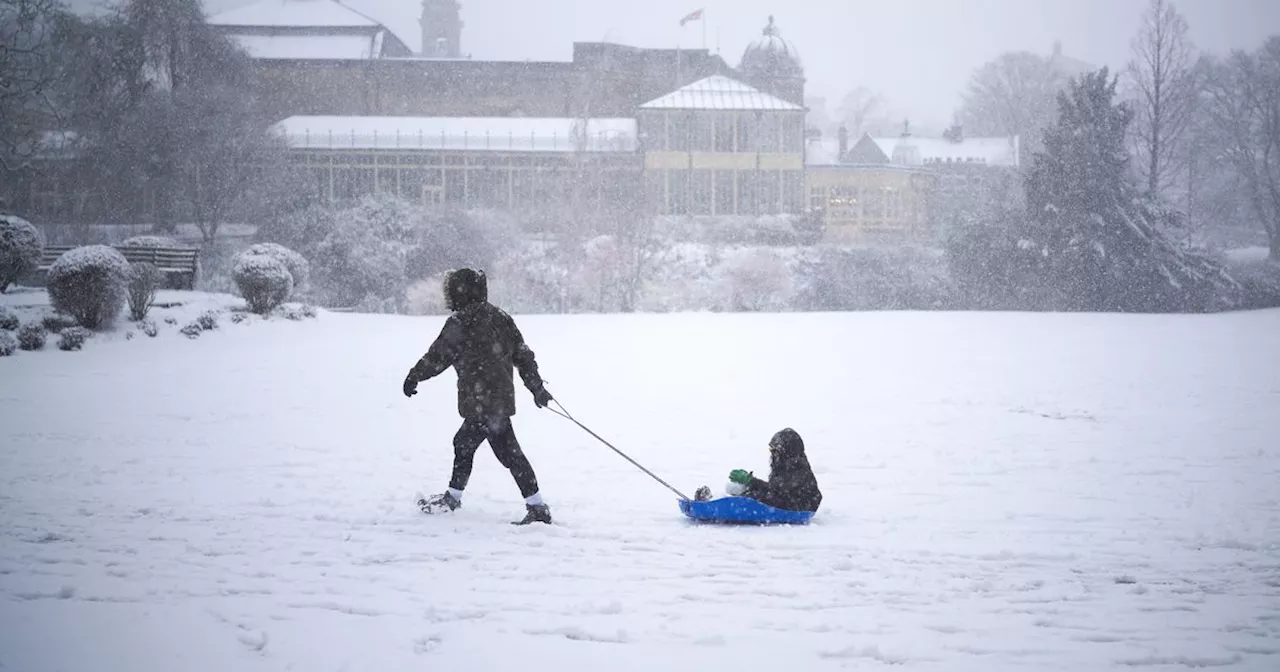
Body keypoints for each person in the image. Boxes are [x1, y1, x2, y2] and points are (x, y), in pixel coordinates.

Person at [403, 268, 555, 525]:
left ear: (461, 291)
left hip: (481, 402)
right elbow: (523, 356)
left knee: (499, 452)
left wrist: (414, 375)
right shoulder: (501, 318)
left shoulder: (460, 323)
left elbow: (437, 356)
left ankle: (536, 507)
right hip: (497, 400)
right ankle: (457, 497)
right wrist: (536, 388)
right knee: (470, 445)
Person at [706, 428, 822, 513]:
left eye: (775, 451)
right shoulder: (783, 466)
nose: (773, 455)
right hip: (786, 501)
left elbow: (778, 491)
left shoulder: (798, 471)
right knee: (753, 493)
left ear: (787, 453)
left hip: (797, 507)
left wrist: (751, 481)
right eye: (771, 451)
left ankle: (717, 506)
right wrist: (750, 483)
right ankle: (716, 501)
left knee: (756, 497)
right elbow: (775, 490)